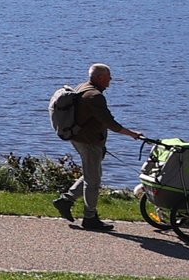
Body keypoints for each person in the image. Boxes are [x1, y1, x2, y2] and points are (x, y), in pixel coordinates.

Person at [54, 63, 146, 231]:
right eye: (108, 76)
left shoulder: (83, 87)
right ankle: (90, 218)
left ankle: (65, 201)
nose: (110, 79)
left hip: (82, 139)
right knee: (93, 181)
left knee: (93, 174)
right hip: (89, 142)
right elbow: (109, 122)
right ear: (99, 78)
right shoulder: (94, 96)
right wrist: (132, 133)